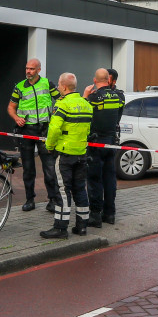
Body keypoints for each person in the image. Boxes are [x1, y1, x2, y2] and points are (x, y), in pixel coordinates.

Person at [40, 72, 93, 239]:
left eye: (58, 86)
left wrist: (49, 146)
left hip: (65, 155)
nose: (57, 88)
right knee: (80, 190)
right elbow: (88, 130)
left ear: (63, 87)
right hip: (81, 154)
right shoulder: (86, 104)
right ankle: (82, 226)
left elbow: (54, 129)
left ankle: (60, 228)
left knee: (62, 191)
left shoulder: (62, 105)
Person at [7, 58, 61, 213]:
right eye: (27, 68)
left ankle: (52, 199)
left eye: (31, 69)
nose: (28, 71)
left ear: (39, 70)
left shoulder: (47, 83)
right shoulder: (19, 87)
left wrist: (56, 114)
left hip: (44, 130)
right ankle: (29, 199)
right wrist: (16, 118)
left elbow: (60, 99)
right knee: (28, 168)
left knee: (49, 166)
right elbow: (11, 107)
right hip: (27, 131)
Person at [84, 68, 125, 227]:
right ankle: (110, 214)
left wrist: (85, 96)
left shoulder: (93, 97)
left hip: (95, 143)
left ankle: (95, 216)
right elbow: (118, 115)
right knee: (109, 179)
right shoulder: (120, 96)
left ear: (95, 80)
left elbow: (85, 115)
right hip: (111, 142)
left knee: (94, 180)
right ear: (108, 80)